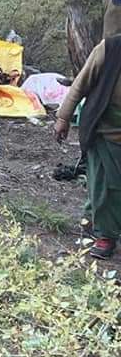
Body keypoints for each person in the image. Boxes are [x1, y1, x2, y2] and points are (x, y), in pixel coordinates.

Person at [55, 37, 121, 259]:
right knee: (103, 186)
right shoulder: (109, 49)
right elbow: (80, 84)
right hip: (104, 131)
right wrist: (63, 117)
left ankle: (92, 218)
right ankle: (105, 236)